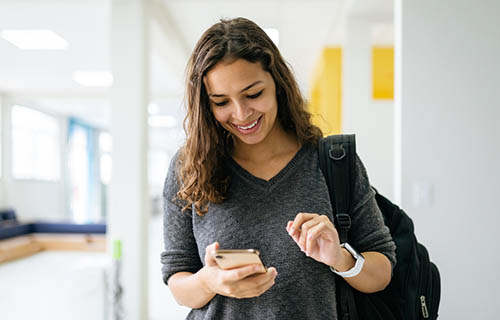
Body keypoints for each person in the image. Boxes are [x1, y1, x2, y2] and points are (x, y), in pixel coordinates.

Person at [161, 17, 396, 320]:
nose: (241, 114)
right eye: (221, 102)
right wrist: (209, 281)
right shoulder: (188, 168)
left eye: (253, 94)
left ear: (277, 83)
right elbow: (178, 280)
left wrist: (339, 257)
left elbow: (382, 271)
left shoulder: (332, 162)